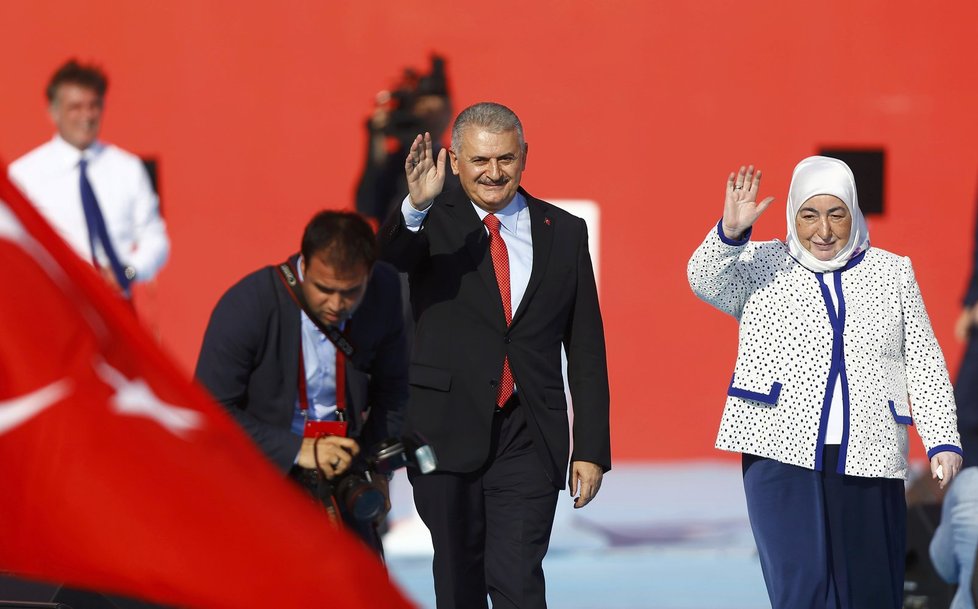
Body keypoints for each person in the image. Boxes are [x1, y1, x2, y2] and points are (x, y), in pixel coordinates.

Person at [687, 157, 964, 609]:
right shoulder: (761, 261)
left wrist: (942, 441)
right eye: (809, 214)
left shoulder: (892, 271)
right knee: (802, 587)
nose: (824, 230)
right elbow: (703, 279)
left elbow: (925, 361)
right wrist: (730, 234)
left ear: (854, 213)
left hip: (870, 452)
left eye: (837, 213)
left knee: (871, 589)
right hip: (779, 450)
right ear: (793, 213)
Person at [379, 102, 611, 609]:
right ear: (455, 160)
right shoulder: (429, 223)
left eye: (505, 159)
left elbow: (587, 345)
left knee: (518, 579)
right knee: (459, 579)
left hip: (529, 433)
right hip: (444, 431)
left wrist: (591, 447)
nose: (493, 173)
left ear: (524, 156)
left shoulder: (564, 231)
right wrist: (415, 207)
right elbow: (389, 263)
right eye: (480, 161)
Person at [195, 210, 407, 553]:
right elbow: (209, 407)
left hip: (344, 466)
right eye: (325, 289)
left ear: (368, 275)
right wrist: (299, 450)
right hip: (264, 469)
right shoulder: (248, 304)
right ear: (303, 266)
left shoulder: (384, 290)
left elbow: (393, 388)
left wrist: (379, 471)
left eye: (351, 291)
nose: (337, 304)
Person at [8, 59, 169, 296]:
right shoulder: (24, 175)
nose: (86, 115)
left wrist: (129, 271)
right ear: (53, 112)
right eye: (75, 107)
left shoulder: (127, 168)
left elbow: (155, 239)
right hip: (58, 305)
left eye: (93, 105)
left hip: (116, 305)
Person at [355, 55, 457, 224]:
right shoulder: (394, 164)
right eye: (422, 106)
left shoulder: (452, 163)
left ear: (449, 112)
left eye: (436, 109)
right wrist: (376, 140)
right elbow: (366, 205)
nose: (429, 114)